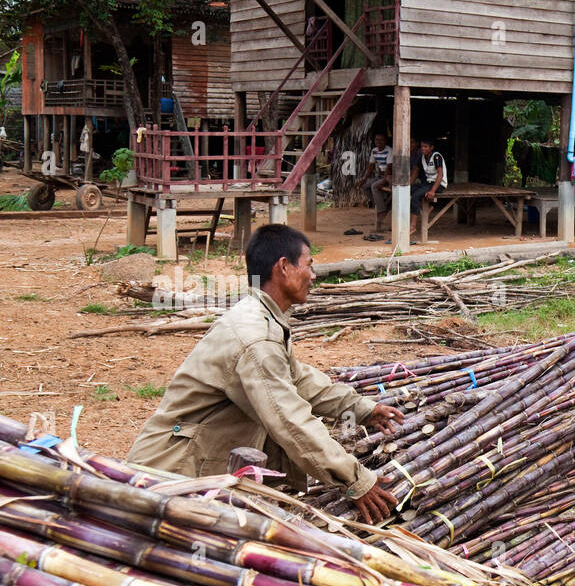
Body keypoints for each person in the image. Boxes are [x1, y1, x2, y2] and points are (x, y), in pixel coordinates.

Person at [127, 225, 403, 524]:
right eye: (309, 265)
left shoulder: (263, 318)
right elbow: (289, 419)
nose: (313, 276)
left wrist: (361, 409)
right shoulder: (255, 336)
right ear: (284, 267)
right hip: (170, 474)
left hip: (193, 463)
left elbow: (299, 380)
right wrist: (356, 480)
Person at [362, 132, 392, 216]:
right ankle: (381, 205)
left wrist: (384, 180)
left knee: (374, 186)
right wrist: (364, 178)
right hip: (380, 176)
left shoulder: (389, 150)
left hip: (388, 176)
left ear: (385, 141)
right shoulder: (374, 151)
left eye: (381, 140)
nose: (378, 142)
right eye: (376, 140)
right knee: (365, 187)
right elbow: (371, 166)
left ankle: (382, 210)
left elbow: (389, 168)